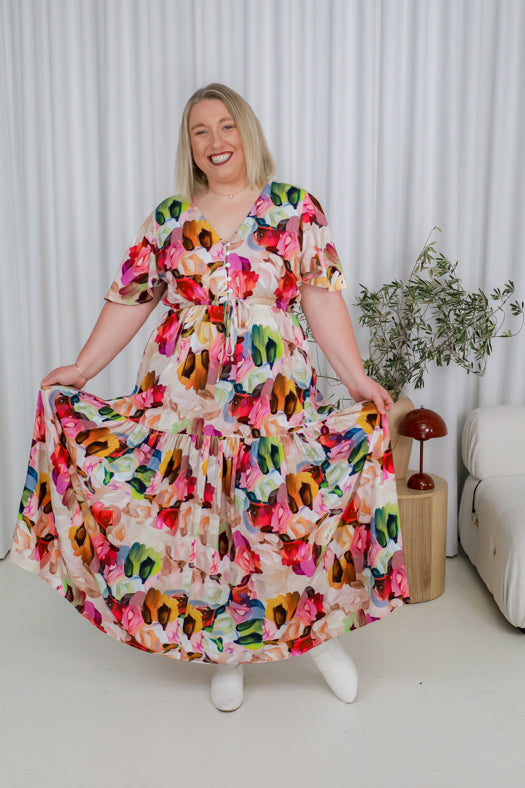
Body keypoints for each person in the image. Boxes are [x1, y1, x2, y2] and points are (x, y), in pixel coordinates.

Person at [11, 83, 409, 712]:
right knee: (202, 530)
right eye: (201, 131)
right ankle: (227, 653)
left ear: (246, 132)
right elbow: (132, 299)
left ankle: (316, 637)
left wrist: (357, 378)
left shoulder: (294, 209)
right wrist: (83, 369)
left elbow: (322, 297)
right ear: (189, 145)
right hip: (182, 399)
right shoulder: (170, 219)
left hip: (273, 400)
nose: (216, 141)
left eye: (226, 126)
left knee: (278, 516)